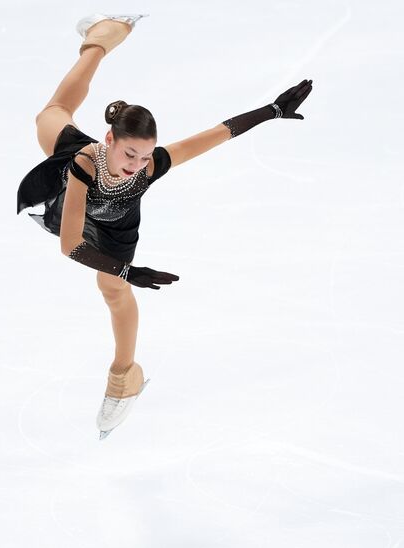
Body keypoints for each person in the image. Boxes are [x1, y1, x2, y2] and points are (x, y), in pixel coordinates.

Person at [17, 13, 313, 440]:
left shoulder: (150, 165)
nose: (136, 166)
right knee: (53, 112)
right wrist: (127, 270)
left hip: (118, 227)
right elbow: (70, 243)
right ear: (108, 141)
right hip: (74, 200)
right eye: (129, 154)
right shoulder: (83, 163)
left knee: (113, 293)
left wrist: (270, 111)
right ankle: (100, 41)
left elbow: (217, 133)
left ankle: (124, 377)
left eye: (144, 157)